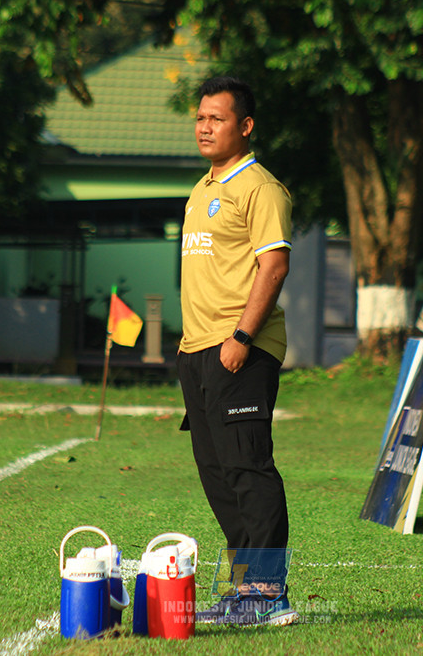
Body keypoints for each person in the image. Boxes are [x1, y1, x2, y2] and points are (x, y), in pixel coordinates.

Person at [176, 76, 298, 627]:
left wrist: (242, 338)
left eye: (217, 118)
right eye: (200, 117)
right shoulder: (202, 189)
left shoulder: (260, 188)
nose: (205, 126)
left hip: (240, 347)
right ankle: (247, 587)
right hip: (197, 349)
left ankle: (270, 592)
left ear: (244, 126)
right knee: (217, 472)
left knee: (248, 466)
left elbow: (273, 267)